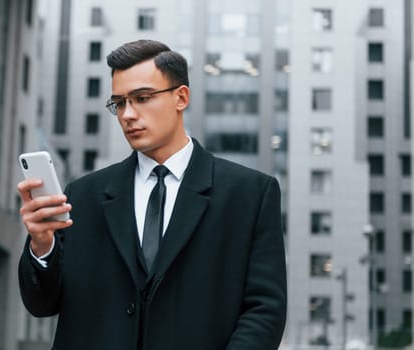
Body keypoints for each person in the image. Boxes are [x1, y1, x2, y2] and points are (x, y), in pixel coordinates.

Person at [17, 39, 286, 350]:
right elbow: (42, 304)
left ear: (181, 97)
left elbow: (265, 311)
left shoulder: (250, 195)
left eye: (142, 98)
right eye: (119, 103)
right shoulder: (83, 195)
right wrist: (41, 245)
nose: (128, 114)